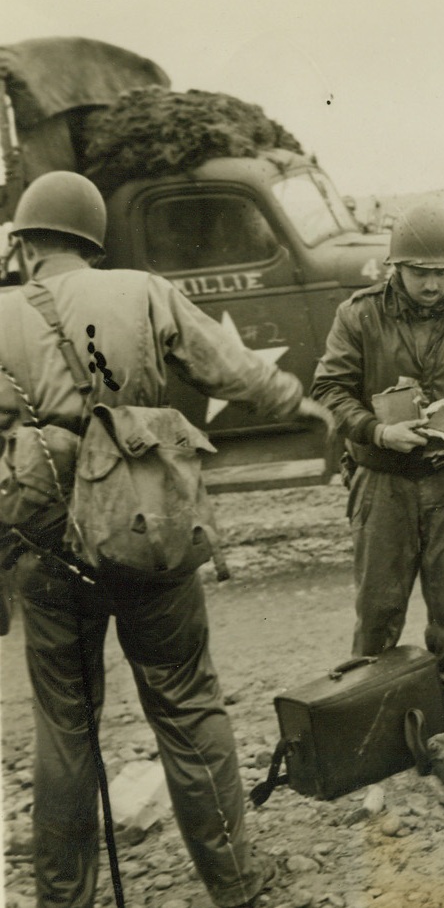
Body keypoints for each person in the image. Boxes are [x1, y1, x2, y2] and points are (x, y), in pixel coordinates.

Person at [0, 170, 332, 908]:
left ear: (25, 246)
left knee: (64, 726)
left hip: (48, 541)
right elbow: (233, 368)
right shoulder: (141, 291)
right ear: (93, 240)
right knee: (187, 704)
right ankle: (237, 886)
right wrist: (300, 403)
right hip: (145, 525)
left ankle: (63, 900)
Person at [311, 203, 444, 700]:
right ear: (395, 267)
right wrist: (378, 433)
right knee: (379, 612)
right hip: (383, 480)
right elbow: (329, 388)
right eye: (420, 273)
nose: (432, 285)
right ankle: (370, 720)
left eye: (443, 273)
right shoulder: (359, 314)